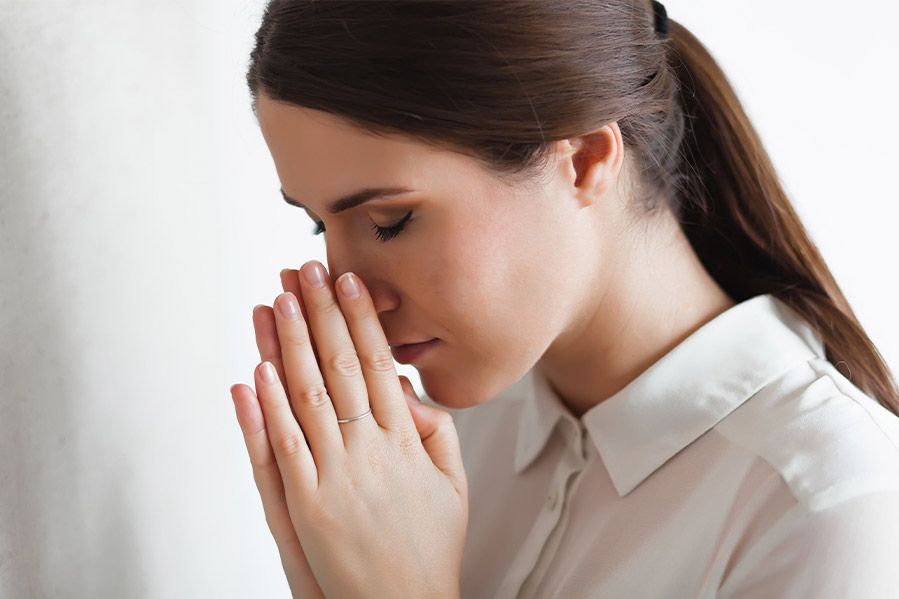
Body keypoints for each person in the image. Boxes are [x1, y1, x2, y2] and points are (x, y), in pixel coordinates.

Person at [243, 1, 899, 597]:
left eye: (391, 221)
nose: (348, 291)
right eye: (318, 224)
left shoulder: (829, 506)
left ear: (584, 158)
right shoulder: (414, 454)